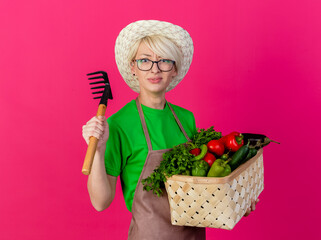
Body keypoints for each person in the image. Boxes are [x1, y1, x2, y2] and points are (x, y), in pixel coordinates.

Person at [82, 20, 258, 240]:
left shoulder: (186, 119)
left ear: (174, 69)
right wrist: (98, 150)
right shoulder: (118, 125)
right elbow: (100, 202)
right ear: (133, 67)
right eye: (145, 60)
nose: (155, 69)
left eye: (164, 61)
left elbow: (201, 188)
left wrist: (236, 200)